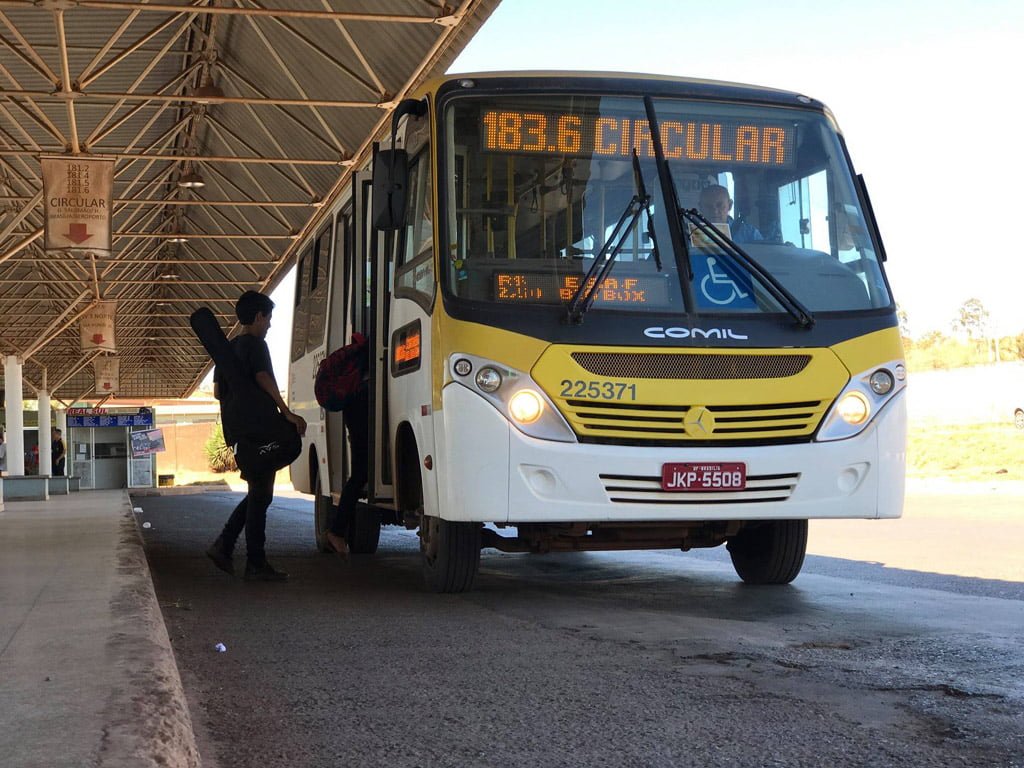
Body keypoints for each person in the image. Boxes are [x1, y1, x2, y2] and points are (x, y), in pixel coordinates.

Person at [206, 290, 306, 582]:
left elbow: (216, 392)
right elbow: (264, 378)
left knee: (258, 494)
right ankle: (253, 561)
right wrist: (286, 412)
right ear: (259, 316)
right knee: (261, 495)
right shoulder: (255, 345)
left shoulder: (228, 348)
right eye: (269, 318)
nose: (270, 325)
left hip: (237, 434)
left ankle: (226, 546)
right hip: (261, 431)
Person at [325, 336, 370, 559]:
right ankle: (337, 532)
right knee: (360, 474)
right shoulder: (373, 346)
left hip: (354, 409)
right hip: (361, 409)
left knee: (360, 474)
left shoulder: (362, 347)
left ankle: (337, 531)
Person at [698, 184, 764, 243]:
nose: (714, 211)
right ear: (700, 207)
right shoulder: (689, 234)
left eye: (719, 205)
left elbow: (763, 254)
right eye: (708, 206)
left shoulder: (750, 234)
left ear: (730, 205)